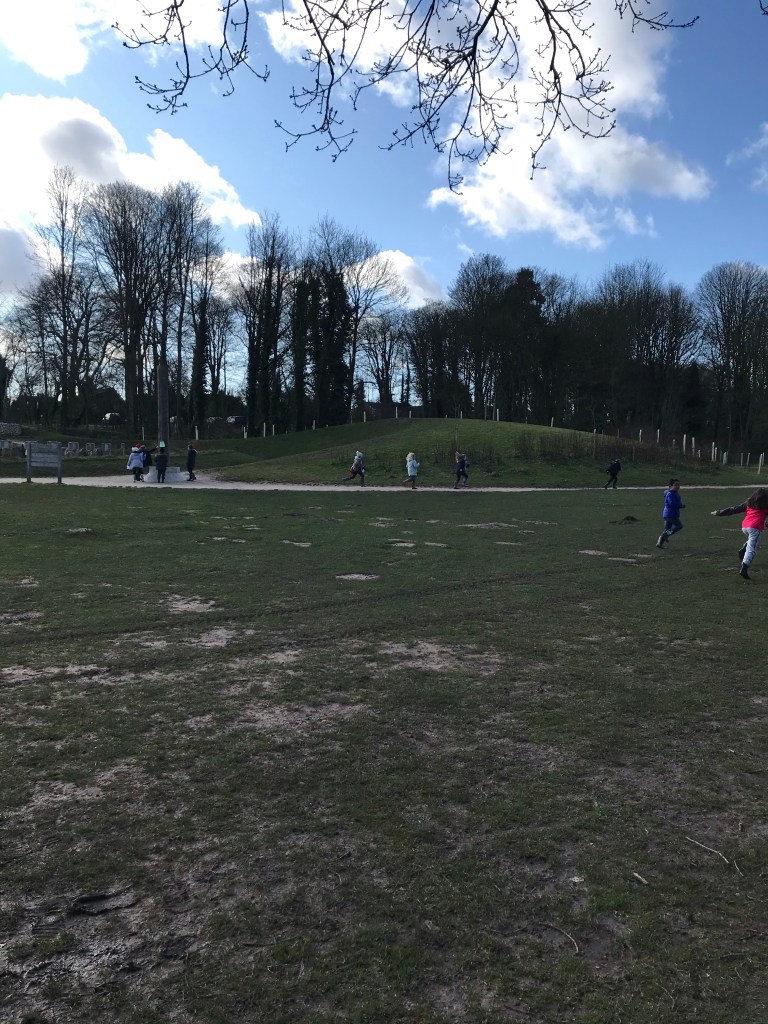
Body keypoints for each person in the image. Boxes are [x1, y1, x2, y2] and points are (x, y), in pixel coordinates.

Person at [711, 487, 768, 580]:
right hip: (755, 528)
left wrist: (718, 512)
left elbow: (733, 509)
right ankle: (744, 568)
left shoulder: (748, 504)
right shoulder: (765, 507)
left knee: (754, 540)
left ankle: (743, 550)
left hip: (745, 527)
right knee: (752, 549)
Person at [656, 479, 685, 549]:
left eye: (678, 485)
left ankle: (659, 544)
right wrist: (681, 505)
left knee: (667, 529)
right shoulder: (671, 494)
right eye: (675, 485)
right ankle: (665, 535)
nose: (677, 486)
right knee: (679, 526)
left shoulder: (673, 493)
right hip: (670, 514)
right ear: (670, 486)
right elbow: (672, 503)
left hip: (668, 514)